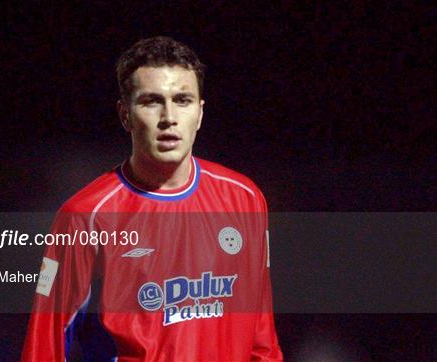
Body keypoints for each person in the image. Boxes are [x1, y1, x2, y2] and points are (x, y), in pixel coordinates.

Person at [22, 36, 283, 361]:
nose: (169, 117)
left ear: (200, 113)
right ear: (125, 114)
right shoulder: (84, 217)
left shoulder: (245, 199)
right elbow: (44, 346)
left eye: (183, 100)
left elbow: (261, 337)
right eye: (151, 101)